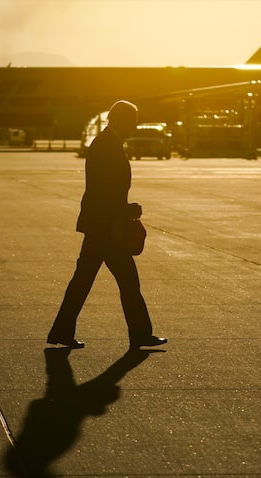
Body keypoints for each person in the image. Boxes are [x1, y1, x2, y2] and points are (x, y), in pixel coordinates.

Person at [47, 100, 166, 349]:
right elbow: (104, 190)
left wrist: (124, 210)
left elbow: (109, 189)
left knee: (89, 280)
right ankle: (140, 334)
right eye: (132, 120)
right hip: (105, 226)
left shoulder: (107, 143)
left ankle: (62, 331)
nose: (134, 126)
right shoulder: (105, 145)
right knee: (122, 281)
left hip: (103, 223)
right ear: (120, 120)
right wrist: (120, 215)